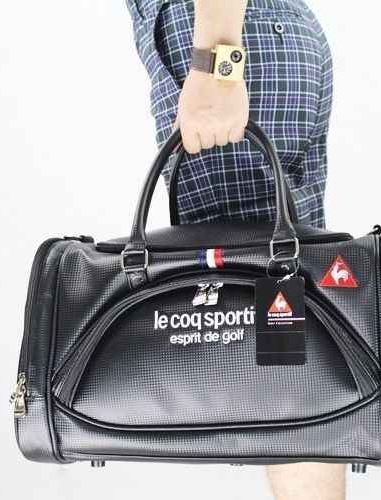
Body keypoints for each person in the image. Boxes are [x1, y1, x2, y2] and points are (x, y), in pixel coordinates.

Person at [126, 1, 344, 498]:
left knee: (279, 361)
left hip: (223, 41)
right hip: (256, 37)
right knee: (283, 341)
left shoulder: (218, 54)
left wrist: (216, 64)